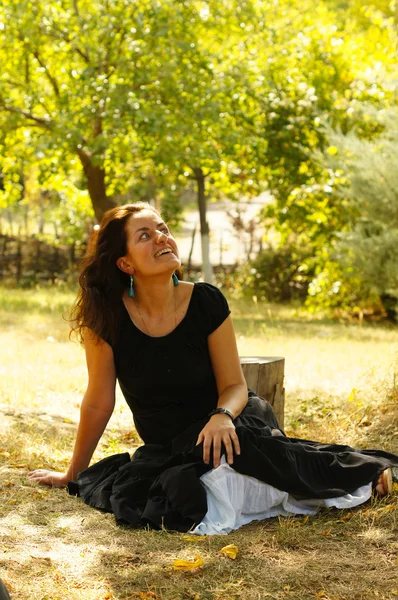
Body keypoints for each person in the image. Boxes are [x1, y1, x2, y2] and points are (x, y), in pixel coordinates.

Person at [28, 202, 398, 535]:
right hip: (170, 447)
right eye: (145, 235)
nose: (162, 237)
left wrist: (221, 416)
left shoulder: (206, 300)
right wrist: (72, 474)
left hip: (230, 419)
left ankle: (368, 472)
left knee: (242, 449)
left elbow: (235, 385)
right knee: (181, 493)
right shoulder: (107, 320)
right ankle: (339, 475)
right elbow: (98, 403)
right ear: (125, 263)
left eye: (164, 229)